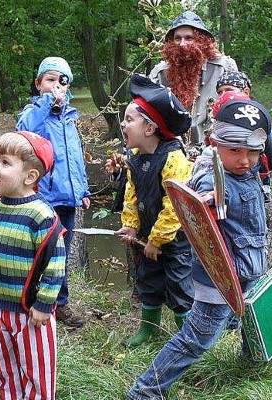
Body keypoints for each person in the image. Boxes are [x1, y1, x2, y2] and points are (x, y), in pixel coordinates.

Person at [127, 98, 269, 400]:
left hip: (248, 266)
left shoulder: (249, 173)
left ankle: (251, 358)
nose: (244, 159)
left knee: (250, 316)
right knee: (195, 340)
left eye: (253, 152)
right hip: (220, 278)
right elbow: (196, 202)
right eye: (235, 151)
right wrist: (205, 200)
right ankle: (146, 390)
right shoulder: (214, 178)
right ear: (216, 145)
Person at [0, 131, 66, 400]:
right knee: (6, 369)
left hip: (30, 314)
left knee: (37, 374)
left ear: (30, 176)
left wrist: (45, 304)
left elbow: (55, 264)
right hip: (0, 310)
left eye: (4, 162)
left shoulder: (41, 215)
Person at [114, 74, 195, 348]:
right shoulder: (135, 160)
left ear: (149, 128)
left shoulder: (174, 158)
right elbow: (131, 195)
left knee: (179, 285)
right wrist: (132, 226)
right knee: (148, 281)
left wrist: (156, 240)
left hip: (174, 239)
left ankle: (189, 338)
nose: (123, 124)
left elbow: (175, 205)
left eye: (129, 119)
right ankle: (149, 330)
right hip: (148, 237)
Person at [16, 56, 90, 328]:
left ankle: (60, 303)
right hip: (43, 199)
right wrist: (48, 103)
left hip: (67, 199)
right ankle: (35, 299)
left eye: (62, 80)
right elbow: (24, 133)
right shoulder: (34, 113)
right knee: (42, 253)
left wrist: (82, 189)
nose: (56, 86)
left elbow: (75, 158)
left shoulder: (69, 118)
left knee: (62, 254)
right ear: (38, 84)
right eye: (50, 80)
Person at [214, 71, 272, 265]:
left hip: (259, 195)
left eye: (228, 90)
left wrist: (261, 149)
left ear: (245, 91)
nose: (223, 95)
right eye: (219, 91)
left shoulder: (260, 119)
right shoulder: (221, 119)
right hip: (229, 197)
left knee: (258, 250)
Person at [149, 11, 237, 147]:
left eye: (189, 38)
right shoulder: (160, 73)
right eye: (177, 38)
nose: (182, 44)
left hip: (215, 149)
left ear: (201, 41)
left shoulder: (224, 68)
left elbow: (237, 108)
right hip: (172, 151)